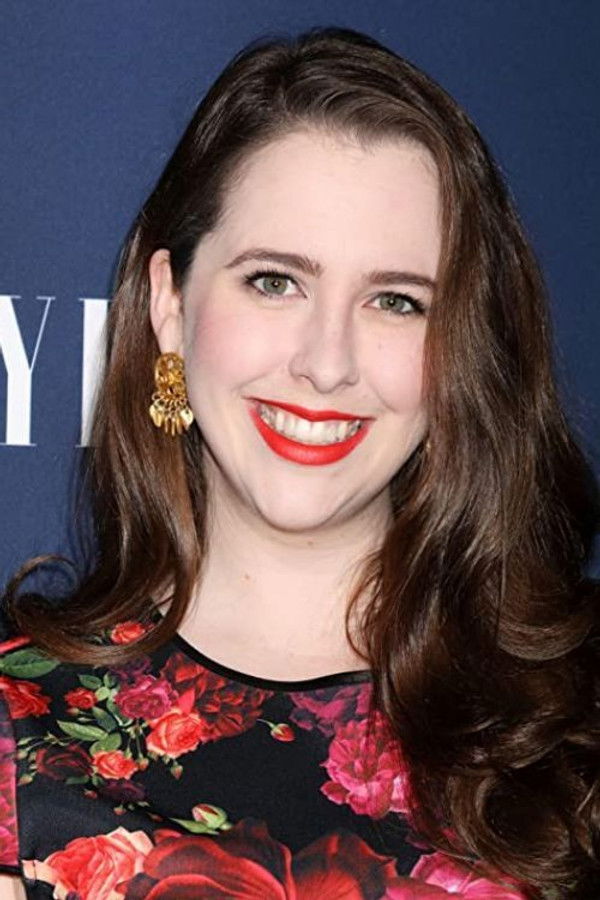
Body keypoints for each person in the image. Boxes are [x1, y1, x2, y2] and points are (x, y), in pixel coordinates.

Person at [0, 24, 598, 900]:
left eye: (396, 301)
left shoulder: (576, 719)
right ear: (170, 305)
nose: (326, 363)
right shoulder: (17, 725)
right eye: (275, 281)